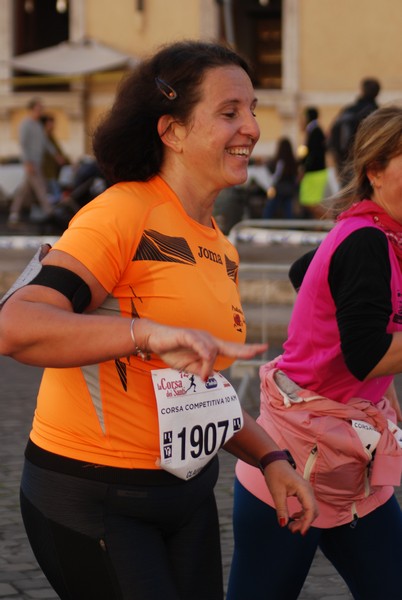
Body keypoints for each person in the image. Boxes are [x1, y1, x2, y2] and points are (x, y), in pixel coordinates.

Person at [0, 40, 317, 600]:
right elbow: (16, 324)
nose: (252, 127)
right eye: (229, 112)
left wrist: (270, 456)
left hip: (187, 499)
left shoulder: (221, 244)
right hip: (94, 494)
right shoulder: (121, 212)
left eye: (251, 109)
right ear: (171, 131)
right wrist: (141, 333)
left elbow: (199, 387)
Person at [227, 105, 402, 600]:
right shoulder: (368, 238)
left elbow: (306, 272)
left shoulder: (381, 234)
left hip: (350, 468)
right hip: (295, 464)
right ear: (374, 171)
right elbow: (365, 354)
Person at [8, 98, 65, 227]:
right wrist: (27, 162)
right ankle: (50, 213)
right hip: (32, 162)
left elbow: (45, 143)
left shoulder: (38, 125)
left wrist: (56, 155)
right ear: (32, 109)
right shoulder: (25, 124)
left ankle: (14, 213)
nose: (40, 111)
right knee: (41, 188)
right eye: (38, 108)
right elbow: (23, 144)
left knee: (24, 190)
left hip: (38, 162)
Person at [328, 77, 381, 186]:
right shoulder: (378, 114)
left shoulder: (348, 111)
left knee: (347, 194)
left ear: (361, 90)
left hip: (344, 161)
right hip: (367, 161)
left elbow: (332, 133)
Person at [298, 106, 328, 219]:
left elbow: (312, 154)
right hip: (315, 172)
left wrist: (304, 169)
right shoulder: (314, 130)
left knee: (310, 202)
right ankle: (319, 225)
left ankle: (329, 220)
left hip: (314, 172)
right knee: (310, 202)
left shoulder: (315, 131)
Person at [263, 137, 298, 219]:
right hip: (289, 190)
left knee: (269, 210)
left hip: (278, 190)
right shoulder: (292, 161)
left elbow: (276, 176)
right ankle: (290, 229)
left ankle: (265, 225)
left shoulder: (279, 161)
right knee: (288, 212)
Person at [40, 113, 70, 204]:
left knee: (53, 190)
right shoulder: (43, 138)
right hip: (47, 170)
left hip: (53, 170)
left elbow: (58, 151)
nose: (52, 126)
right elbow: (53, 152)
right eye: (50, 124)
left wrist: (66, 160)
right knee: (54, 191)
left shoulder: (50, 137)